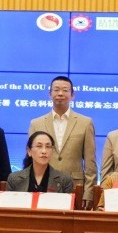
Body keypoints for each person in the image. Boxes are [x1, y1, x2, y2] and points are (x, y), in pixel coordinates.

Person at [28, 76, 97, 209]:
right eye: (56, 90)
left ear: (72, 95)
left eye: (65, 90)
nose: (60, 93)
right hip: (43, 185)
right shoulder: (36, 123)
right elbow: (31, 159)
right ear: (50, 94)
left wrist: (89, 193)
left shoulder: (85, 123)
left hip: (75, 186)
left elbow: (90, 162)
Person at [6, 131, 74, 193]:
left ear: (52, 151)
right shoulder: (14, 179)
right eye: (39, 146)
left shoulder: (65, 180)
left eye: (48, 146)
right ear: (29, 151)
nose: (44, 151)